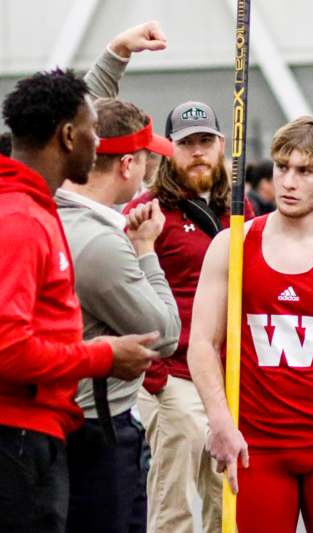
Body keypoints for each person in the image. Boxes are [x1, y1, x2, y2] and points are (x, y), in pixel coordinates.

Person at [0, 26, 170, 533]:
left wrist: (115, 54)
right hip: (8, 428)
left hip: (7, 424)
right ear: (67, 137)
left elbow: (78, 103)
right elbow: (5, 349)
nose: (98, 141)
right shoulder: (16, 222)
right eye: (92, 131)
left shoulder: (5, 203)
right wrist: (106, 355)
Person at [188, 116, 313, 533]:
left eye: (305, 171)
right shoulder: (233, 246)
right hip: (255, 446)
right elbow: (203, 344)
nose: (288, 182)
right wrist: (221, 423)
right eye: (282, 168)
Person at [125, 100, 254, 533]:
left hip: (227, 375)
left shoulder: (238, 209)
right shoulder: (148, 211)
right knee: (173, 504)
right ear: (169, 151)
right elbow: (123, 294)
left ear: (221, 147)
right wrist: (155, 375)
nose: (197, 152)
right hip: (174, 377)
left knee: (227, 499)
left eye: (206, 142)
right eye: (187, 144)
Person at [56, 98, 180, 532]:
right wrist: (146, 251)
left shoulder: (53, 212)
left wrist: (116, 55)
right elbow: (164, 334)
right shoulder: (100, 243)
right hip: (99, 429)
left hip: (65, 421)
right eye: (147, 159)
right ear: (128, 164)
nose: (150, 170)